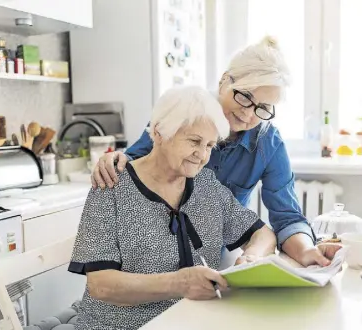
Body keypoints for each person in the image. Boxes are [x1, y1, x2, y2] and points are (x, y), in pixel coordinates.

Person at [91, 36, 341, 267]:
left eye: (263, 108)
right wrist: (114, 159)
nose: (248, 113)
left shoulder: (268, 143)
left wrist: (308, 251)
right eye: (245, 96)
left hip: (210, 259)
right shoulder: (183, 111)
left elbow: (287, 218)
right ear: (224, 80)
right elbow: (134, 162)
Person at [69, 86, 276, 330]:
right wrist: (180, 283)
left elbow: (263, 234)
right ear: (158, 132)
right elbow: (101, 285)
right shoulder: (111, 185)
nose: (202, 155)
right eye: (194, 141)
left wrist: (252, 257)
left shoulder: (206, 186)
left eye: (210, 145)